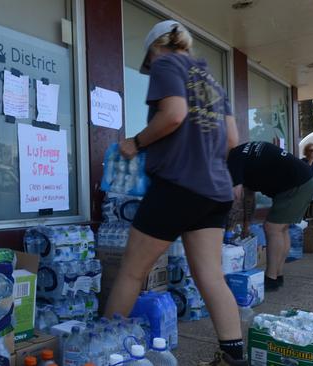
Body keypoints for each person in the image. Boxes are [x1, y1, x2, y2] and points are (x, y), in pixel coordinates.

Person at [103, 20, 247, 366]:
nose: (151, 70)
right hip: (214, 190)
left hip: (178, 186)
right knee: (211, 276)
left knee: (132, 271)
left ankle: (104, 351)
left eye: (148, 65)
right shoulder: (212, 81)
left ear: (155, 50)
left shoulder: (166, 63)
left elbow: (175, 114)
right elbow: (231, 141)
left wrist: (135, 144)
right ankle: (233, 357)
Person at [227, 141, 313, 291]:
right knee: (282, 229)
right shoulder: (244, 153)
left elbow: (235, 197)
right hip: (305, 180)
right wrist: (246, 225)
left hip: (297, 184)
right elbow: (248, 197)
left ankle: (270, 279)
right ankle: (277, 275)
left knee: (272, 228)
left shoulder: (234, 159)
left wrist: (227, 226)